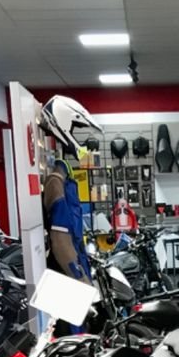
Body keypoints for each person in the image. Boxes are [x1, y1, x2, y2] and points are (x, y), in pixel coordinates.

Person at [38, 95, 103, 283]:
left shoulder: (64, 181)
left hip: (75, 266)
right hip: (67, 277)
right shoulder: (55, 183)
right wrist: (81, 279)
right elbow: (61, 241)